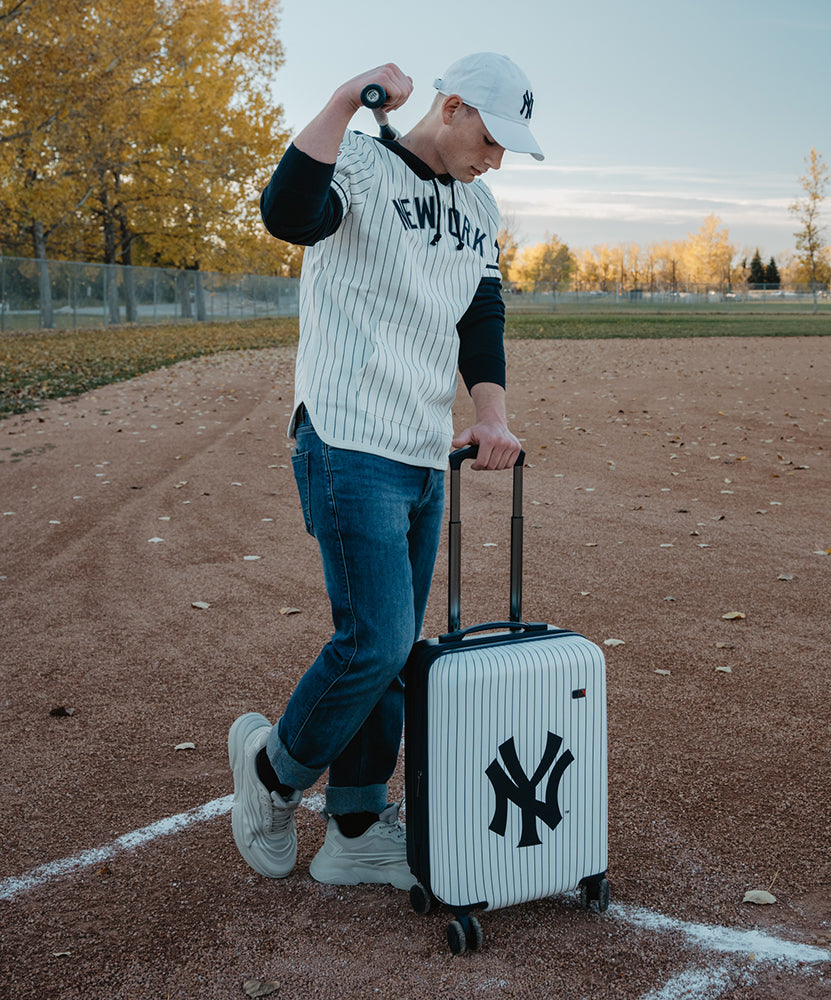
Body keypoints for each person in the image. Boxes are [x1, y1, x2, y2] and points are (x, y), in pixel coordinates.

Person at [228, 53, 543, 889]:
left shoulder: (480, 205)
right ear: (451, 107)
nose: (498, 158)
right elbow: (288, 214)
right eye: (492, 137)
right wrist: (340, 100)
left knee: (396, 648)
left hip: (419, 447)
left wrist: (491, 415)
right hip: (345, 438)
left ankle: (357, 825)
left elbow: (482, 314)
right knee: (375, 639)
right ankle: (270, 773)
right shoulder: (359, 161)